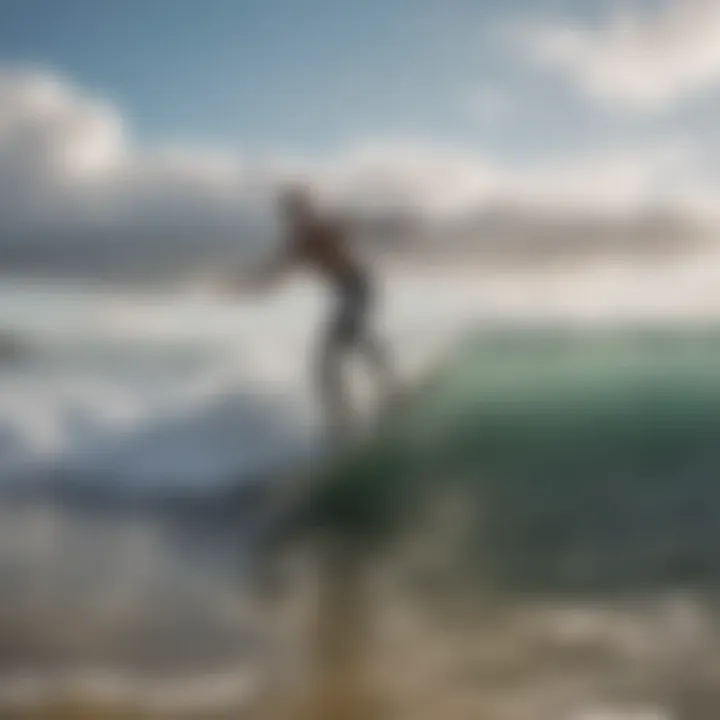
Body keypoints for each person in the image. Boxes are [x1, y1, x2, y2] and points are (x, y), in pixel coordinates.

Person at [240, 185, 394, 438]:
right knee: (338, 352)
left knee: (345, 342)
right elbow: (275, 270)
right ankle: (344, 417)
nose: (298, 217)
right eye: (292, 214)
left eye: (301, 210)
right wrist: (246, 284)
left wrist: (388, 223)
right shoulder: (300, 244)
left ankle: (385, 396)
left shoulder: (324, 227)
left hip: (358, 285)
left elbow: (357, 225)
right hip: (347, 292)